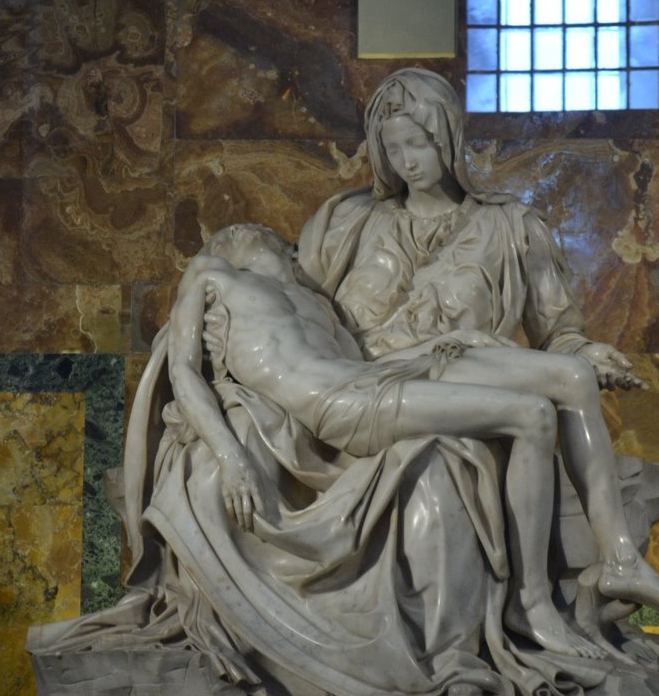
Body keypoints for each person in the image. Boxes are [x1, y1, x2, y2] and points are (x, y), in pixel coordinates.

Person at [298, 67, 659, 622]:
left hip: (458, 372)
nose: (407, 161)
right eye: (392, 147)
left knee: (574, 375)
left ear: (450, 140)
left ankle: (618, 558)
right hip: (370, 385)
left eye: (418, 143)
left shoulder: (511, 227)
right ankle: (594, 572)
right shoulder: (348, 223)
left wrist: (583, 351)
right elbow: (293, 308)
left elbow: (556, 330)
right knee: (551, 390)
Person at [169, 221, 617, 659]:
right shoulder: (211, 273)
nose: (297, 257)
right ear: (252, 243)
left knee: (559, 386)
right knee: (531, 415)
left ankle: (611, 563)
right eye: (287, 249)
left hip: (366, 385)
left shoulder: (315, 304)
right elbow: (183, 370)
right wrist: (231, 457)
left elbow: (360, 365)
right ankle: (531, 605)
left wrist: (450, 341)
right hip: (340, 407)